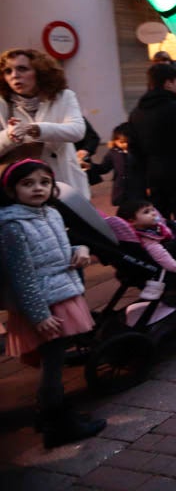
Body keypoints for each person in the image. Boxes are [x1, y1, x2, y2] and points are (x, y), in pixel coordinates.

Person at [0, 159, 107, 448]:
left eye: (44, 182)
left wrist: (80, 249)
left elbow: (56, 250)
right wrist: (39, 316)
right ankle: (57, 423)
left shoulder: (50, 214)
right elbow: (20, 277)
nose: (38, 188)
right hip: (45, 305)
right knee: (53, 364)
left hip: (60, 294)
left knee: (55, 361)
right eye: (28, 183)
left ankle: (51, 414)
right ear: (11, 191)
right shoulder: (12, 226)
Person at [1, 49, 90, 198]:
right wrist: (9, 136)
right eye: (8, 71)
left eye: (22, 69)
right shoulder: (2, 104)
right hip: (23, 191)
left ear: (40, 71)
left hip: (65, 183)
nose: (14, 75)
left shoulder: (63, 96)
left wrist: (37, 129)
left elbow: (77, 131)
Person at [126, 63, 176, 220]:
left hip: (154, 178)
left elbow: (134, 151)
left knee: (160, 219)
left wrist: (145, 179)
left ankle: (165, 245)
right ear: (168, 83)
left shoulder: (137, 113)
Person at [115, 199, 176, 280]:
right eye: (146, 212)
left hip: (171, 249)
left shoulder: (153, 227)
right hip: (169, 260)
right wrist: (175, 268)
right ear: (132, 221)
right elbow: (160, 255)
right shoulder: (146, 238)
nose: (153, 214)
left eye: (152, 209)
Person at [86, 123, 132, 207]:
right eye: (122, 142)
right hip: (121, 189)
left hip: (137, 188)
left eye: (128, 142)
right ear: (115, 140)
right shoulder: (113, 153)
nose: (125, 145)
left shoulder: (136, 152)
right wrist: (90, 166)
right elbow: (104, 168)